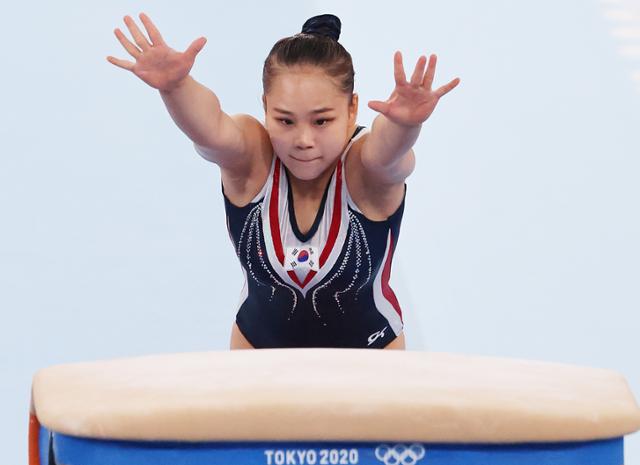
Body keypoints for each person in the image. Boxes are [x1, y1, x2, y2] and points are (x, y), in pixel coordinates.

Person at [107, 13, 460, 350]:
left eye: (321, 121)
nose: (303, 140)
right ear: (265, 107)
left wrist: (405, 125)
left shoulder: (365, 169)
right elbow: (212, 130)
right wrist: (176, 87)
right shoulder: (252, 158)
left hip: (367, 358)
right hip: (260, 357)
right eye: (285, 121)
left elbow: (390, 155)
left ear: (352, 109)